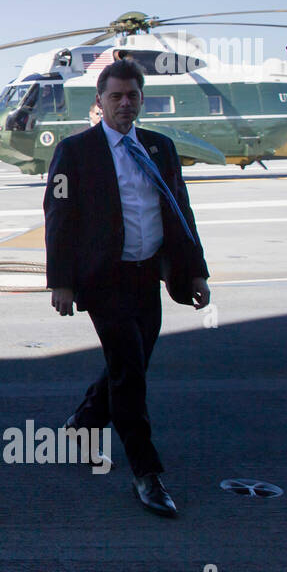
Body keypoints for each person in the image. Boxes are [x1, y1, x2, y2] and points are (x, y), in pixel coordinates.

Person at [44, 57, 210, 517]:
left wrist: (195, 271)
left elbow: (180, 211)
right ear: (99, 102)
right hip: (103, 279)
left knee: (131, 363)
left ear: (141, 99)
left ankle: (84, 422)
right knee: (130, 371)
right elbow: (58, 218)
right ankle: (146, 472)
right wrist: (60, 281)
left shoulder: (160, 148)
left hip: (146, 277)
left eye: (132, 95)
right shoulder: (76, 151)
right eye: (115, 96)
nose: (124, 103)